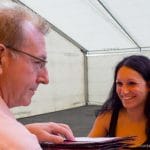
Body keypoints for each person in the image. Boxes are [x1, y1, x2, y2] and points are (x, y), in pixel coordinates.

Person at [0, 1, 74, 149]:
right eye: (38, 63)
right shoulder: (17, 143)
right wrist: (22, 137)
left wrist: (25, 131)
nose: (45, 79)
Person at [88, 55, 150, 147]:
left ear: (148, 86)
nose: (124, 91)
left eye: (132, 83)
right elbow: (87, 146)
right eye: (119, 83)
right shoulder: (107, 117)